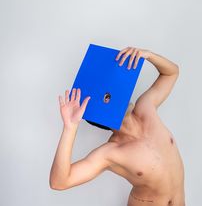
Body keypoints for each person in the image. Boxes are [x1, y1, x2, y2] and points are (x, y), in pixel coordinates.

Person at [49, 47, 185, 206]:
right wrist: (70, 128)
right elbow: (59, 182)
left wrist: (148, 55)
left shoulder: (146, 108)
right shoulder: (111, 152)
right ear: (100, 113)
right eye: (108, 96)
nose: (118, 93)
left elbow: (171, 73)